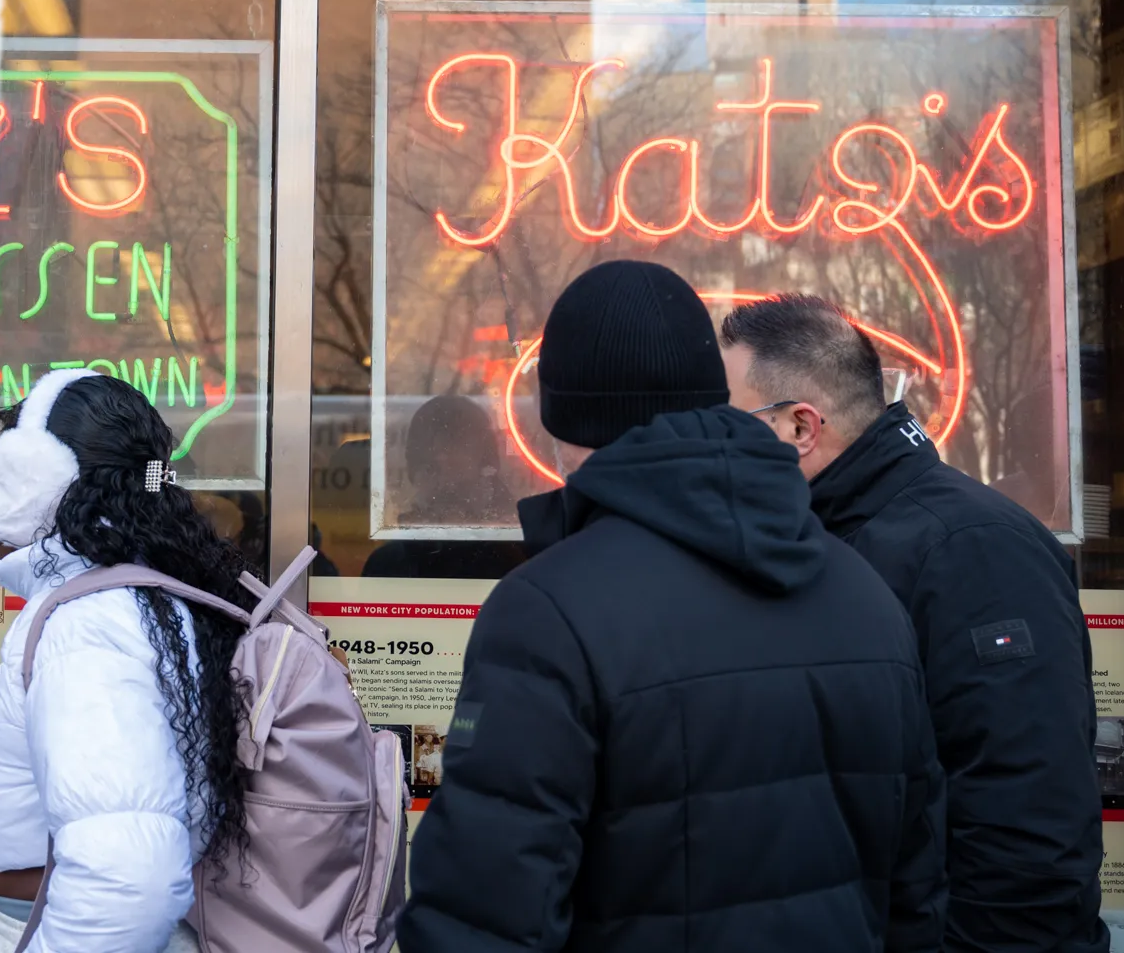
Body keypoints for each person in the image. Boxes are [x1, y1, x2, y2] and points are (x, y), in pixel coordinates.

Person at [402, 261, 946, 951]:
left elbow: (482, 914)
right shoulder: (865, 593)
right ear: (709, 397)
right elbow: (917, 892)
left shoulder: (547, 612)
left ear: (562, 422)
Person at [721, 292, 1106, 953]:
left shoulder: (972, 549)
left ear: (799, 427)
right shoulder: (832, 538)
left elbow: (1028, 831)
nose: (715, 448)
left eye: (728, 426)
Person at [0, 369, 255, 953]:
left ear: (29, 484)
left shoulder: (86, 626)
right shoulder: (145, 597)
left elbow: (127, 882)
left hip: (51, 927)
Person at [361, 394, 527, 580]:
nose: (442, 458)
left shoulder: (511, 551)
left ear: (482, 458)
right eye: (430, 452)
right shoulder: (387, 563)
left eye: (453, 446)